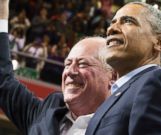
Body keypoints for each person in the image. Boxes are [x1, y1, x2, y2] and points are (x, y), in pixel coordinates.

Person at [0, 1, 115, 134]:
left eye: (82, 64)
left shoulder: (123, 127)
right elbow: (3, 80)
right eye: (67, 64)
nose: (70, 71)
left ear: (112, 76)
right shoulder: (46, 111)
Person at [86, 2, 161, 135]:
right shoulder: (121, 91)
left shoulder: (158, 82)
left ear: (160, 42)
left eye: (128, 21)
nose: (111, 29)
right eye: (112, 22)